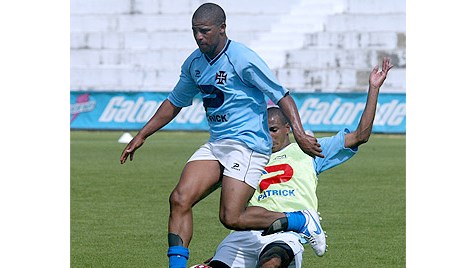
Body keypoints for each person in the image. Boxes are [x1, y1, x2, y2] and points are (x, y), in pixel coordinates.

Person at [119, 3, 326, 268]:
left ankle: (301, 220)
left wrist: (299, 132)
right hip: (218, 145)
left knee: (231, 217)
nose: (199, 37)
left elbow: (281, 95)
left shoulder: (242, 59)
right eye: (195, 31)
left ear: (222, 28)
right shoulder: (194, 63)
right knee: (179, 199)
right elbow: (175, 102)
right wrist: (142, 135)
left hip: (249, 145)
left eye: (204, 31)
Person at [192, 58, 393, 268]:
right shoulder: (249, 156)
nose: (268, 136)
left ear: (288, 128)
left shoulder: (308, 150)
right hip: (246, 232)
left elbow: (360, 135)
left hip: (285, 233)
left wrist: (373, 89)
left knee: (270, 264)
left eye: (273, 130)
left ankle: (303, 222)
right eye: (264, 131)